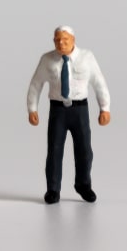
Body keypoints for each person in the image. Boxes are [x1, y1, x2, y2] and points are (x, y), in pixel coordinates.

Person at [26, 26, 111, 204]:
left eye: (65, 40)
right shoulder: (47, 59)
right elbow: (36, 84)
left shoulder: (87, 57)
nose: (61, 43)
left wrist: (105, 108)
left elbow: (99, 82)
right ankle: (53, 189)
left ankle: (83, 185)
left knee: (85, 151)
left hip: (80, 110)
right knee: (54, 151)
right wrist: (32, 108)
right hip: (57, 111)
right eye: (57, 40)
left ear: (73, 40)